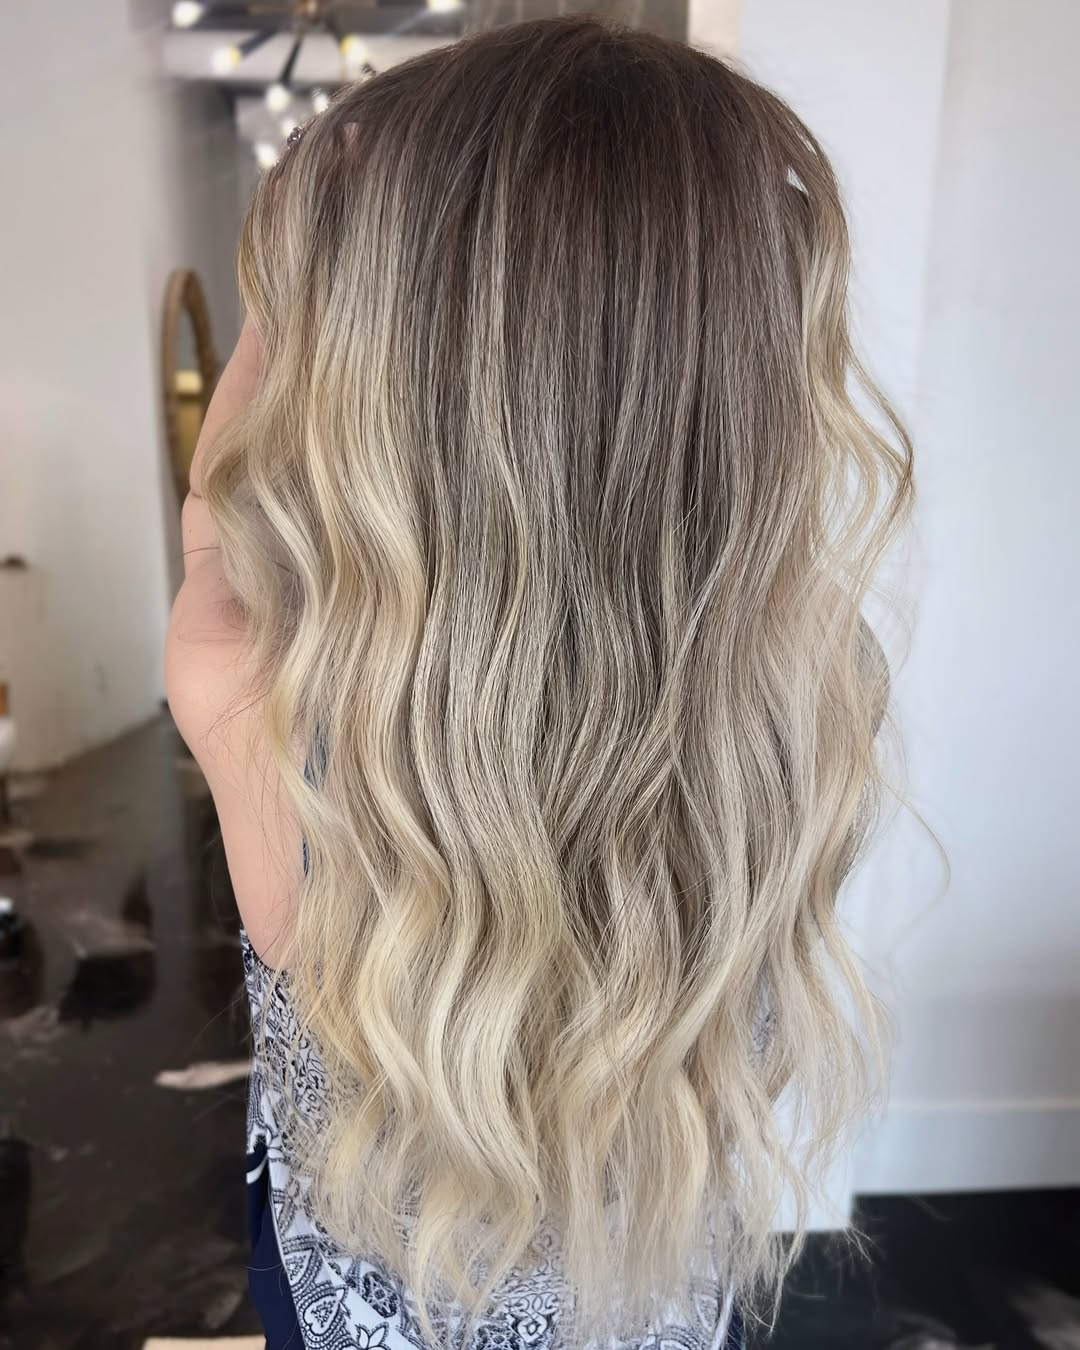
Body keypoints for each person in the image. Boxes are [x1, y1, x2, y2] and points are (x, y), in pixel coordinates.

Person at [165, 16, 912, 1350]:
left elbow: (220, 503)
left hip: (358, 1310)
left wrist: (298, 264)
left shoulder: (265, 705)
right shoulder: (804, 694)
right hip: (655, 1297)